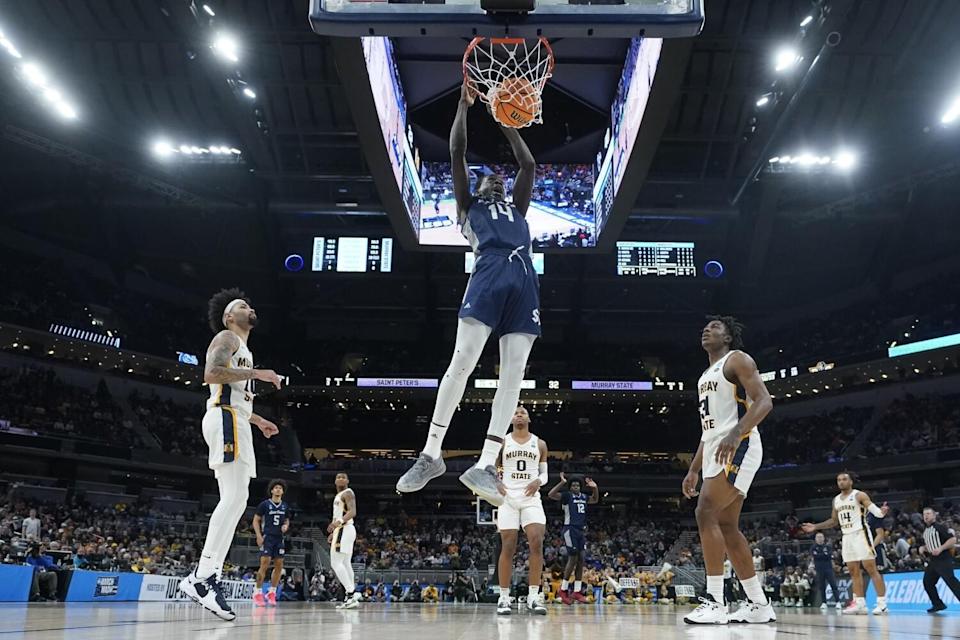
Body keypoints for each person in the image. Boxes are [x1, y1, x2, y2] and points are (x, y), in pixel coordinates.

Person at [397, 82, 540, 508]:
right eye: (488, 180)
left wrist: (507, 120)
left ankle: (486, 462)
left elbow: (528, 164)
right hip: (489, 272)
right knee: (462, 363)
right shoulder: (467, 207)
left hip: (524, 278)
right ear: (475, 192)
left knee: (513, 376)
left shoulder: (518, 207)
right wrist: (463, 104)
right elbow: (457, 153)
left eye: (499, 179)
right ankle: (431, 453)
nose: (495, 180)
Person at [179, 289, 281, 622]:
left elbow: (233, 395)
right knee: (234, 496)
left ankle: (208, 576)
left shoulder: (245, 349)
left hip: (236, 419)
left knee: (238, 499)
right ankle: (203, 576)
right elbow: (211, 374)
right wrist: (258, 374)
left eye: (249, 305)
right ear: (228, 317)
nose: (249, 308)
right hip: (224, 418)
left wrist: (258, 419)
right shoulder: (227, 337)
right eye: (241, 306)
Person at [681, 316, 776, 624]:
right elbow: (708, 429)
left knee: (704, 510)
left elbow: (764, 402)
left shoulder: (738, 360)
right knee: (727, 527)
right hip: (714, 449)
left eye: (715, 326)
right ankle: (759, 604)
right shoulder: (703, 376)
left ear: (728, 337)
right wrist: (693, 469)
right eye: (704, 327)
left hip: (740, 444)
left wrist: (736, 434)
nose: (706, 329)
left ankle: (715, 601)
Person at [801, 471, 889, 614]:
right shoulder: (836, 500)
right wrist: (815, 526)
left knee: (871, 569)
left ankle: (882, 603)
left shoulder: (859, 495)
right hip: (846, 536)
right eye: (839, 480)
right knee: (853, 571)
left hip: (861, 534)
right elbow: (833, 521)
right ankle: (860, 604)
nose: (841, 482)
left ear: (850, 482)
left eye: (844, 479)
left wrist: (882, 512)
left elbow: (875, 511)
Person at [494, 406, 548, 616]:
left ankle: (534, 597)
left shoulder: (540, 443)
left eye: (523, 412)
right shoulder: (502, 442)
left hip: (531, 497)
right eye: (515, 412)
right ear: (510, 419)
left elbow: (544, 474)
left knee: (536, 541)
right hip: (507, 498)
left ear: (529, 418)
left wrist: (537, 481)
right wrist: (496, 483)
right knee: (508, 545)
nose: (519, 414)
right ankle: (504, 597)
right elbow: (491, 468)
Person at [547, 473, 599, 604]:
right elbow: (551, 494)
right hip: (569, 529)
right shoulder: (567, 496)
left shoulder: (584, 497)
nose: (576, 487)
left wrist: (595, 488)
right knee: (573, 558)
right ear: (570, 487)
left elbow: (595, 499)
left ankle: (576, 591)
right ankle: (563, 590)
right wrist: (562, 483)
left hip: (580, 531)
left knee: (581, 558)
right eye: (573, 485)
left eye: (577, 485)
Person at [252, 479, 290, 606]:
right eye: (276, 487)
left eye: (280, 488)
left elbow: (286, 520)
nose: (278, 489)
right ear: (272, 490)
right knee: (265, 564)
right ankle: (257, 592)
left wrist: (286, 526)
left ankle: (272, 592)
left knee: (279, 565)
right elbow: (255, 520)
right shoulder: (264, 505)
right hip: (267, 537)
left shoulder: (285, 506)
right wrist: (258, 536)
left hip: (279, 538)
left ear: (283, 491)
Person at [328, 472, 361, 609]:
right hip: (343, 529)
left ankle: (351, 593)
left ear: (347, 480)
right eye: (338, 477)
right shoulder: (339, 496)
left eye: (343, 477)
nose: (340, 479)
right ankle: (351, 595)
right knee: (346, 563)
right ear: (335, 481)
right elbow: (338, 514)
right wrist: (333, 531)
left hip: (344, 528)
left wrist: (338, 523)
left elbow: (352, 512)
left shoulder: (347, 493)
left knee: (335, 563)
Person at [919, 506, 960, 613]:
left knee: (951, 581)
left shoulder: (939, 527)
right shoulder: (926, 530)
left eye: (928, 513)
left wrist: (941, 548)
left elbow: (952, 539)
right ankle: (938, 604)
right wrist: (924, 548)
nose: (926, 516)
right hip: (933, 561)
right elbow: (932, 546)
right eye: (924, 514)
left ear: (934, 515)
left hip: (943, 559)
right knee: (927, 582)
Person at [811, 532, 842, 609]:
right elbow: (816, 556)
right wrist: (823, 555)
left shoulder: (828, 547)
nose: (820, 539)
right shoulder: (813, 548)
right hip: (819, 569)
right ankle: (824, 602)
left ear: (824, 538)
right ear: (815, 539)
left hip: (828, 569)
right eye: (818, 537)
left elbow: (829, 556)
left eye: (821, 537)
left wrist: (821, 555)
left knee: (833, 585)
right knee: (822, 587)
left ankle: (838, 602)